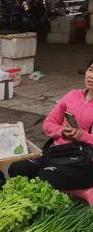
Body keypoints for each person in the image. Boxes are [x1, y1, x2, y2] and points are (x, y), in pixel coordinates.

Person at [9, 62, 93, 191]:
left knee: (47, 177)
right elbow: (49, 122)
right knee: (18, 168)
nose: (91, 76)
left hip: (85, 161)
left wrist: (83, 136)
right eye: (91, 70)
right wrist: (62, 131)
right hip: (59, 153)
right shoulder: (73, 95)